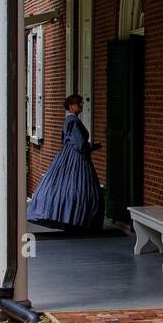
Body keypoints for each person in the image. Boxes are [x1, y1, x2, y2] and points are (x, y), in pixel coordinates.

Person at [27, 95, 104, 232]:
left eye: (81, 103)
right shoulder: (73, 121)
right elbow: (80, 145)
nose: (81, 105)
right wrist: (95, 146)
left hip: (68, 156)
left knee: (69, 187)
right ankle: (76, 220)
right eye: (78, 103)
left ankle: (70, 219)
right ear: (70, 106)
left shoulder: (69, 120)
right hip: (76, 158)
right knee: (79, 188)